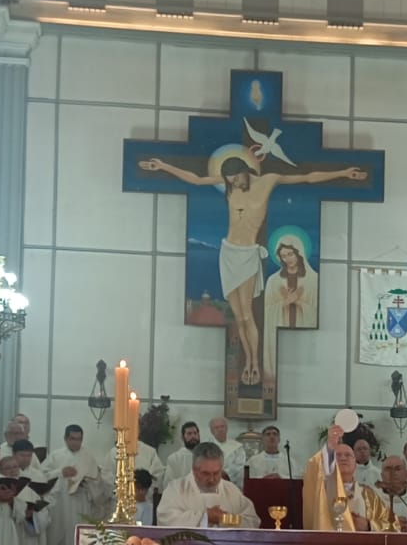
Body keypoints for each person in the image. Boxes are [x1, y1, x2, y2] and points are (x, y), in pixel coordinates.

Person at [139, 149, 365, 387]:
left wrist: (343, 172)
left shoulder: (268, 180)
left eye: (237, 178)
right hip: (227, 252)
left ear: (245, 171)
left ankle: (253, 362)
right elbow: (196, 179)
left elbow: (307, 177)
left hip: (247, 254)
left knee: (247, 313)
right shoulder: (229, 183)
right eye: (230, 181)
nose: (234, 183)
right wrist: (164, 166)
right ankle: (248, 359)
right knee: (238, 315)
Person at [159, 441, 261, 529]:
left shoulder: (231, 490)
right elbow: (166, 518)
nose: (212, 479)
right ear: (194, 469)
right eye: (206, 473)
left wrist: (225, 518)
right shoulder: (176, 489)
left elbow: (252, 520)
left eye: (216, 473)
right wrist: (205, 517)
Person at [47, 423, 104, 545]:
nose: (76, 442)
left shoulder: (88, 456)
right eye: (73, 439)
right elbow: (43, 476)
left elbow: (97, 479)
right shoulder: (56, 456)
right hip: (62, 501)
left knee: (80, 527)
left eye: (79, 439)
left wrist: (89, 483)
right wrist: (60, 472)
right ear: (66, 439)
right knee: (63, 528)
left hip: (82, 500)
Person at [262, 235, 319, 378]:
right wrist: (283, 303)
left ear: (299, 253)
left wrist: (298, 302)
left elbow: (317, 312)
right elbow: (267, 312)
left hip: (302, 337)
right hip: (279, 337)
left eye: (290, 254)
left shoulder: (314, 280)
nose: (288, 259)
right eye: (283, 256)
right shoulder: (273, 281)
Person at [208, 415, 246, 485]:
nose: (220, 429)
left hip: (232, 483)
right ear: (211, 431)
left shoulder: (237, 447)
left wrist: (225, 474)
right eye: (216, 427)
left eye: (222, 426)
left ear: (227, 428)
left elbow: (240, 466)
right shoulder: (206, 447)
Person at [163, 420, 201, 484]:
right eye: (189, 433)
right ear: (182, 437)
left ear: (199, 435)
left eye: (195, 433)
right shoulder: (174, 459)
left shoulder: (207, 456)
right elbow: (169, 484)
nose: (193, 436)